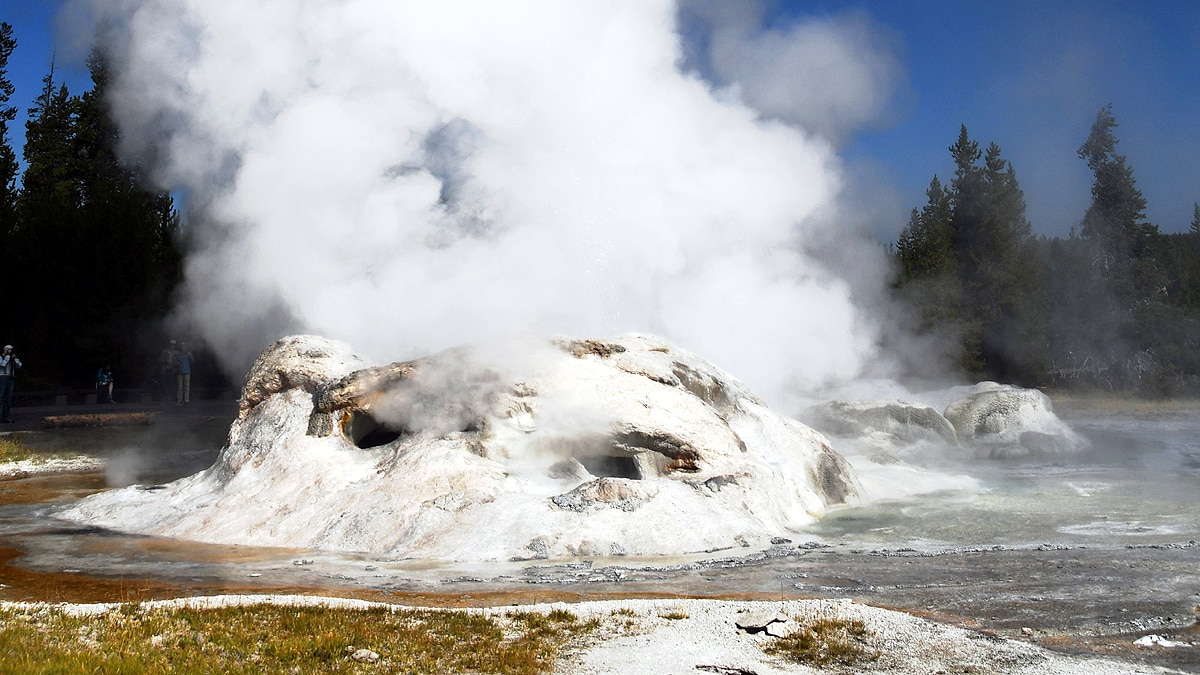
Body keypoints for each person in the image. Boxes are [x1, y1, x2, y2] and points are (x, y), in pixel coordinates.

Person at [0, 345, 22, 423]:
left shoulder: (12, 359)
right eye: (9, 350)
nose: (10, 351)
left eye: (11, 350)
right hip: (2, 378)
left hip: (10, 378)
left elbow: (19, 365)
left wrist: (14, 360)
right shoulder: (1, 357)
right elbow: (2, 365)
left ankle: (5, 417)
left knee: (8, 399)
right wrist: (7, 358)